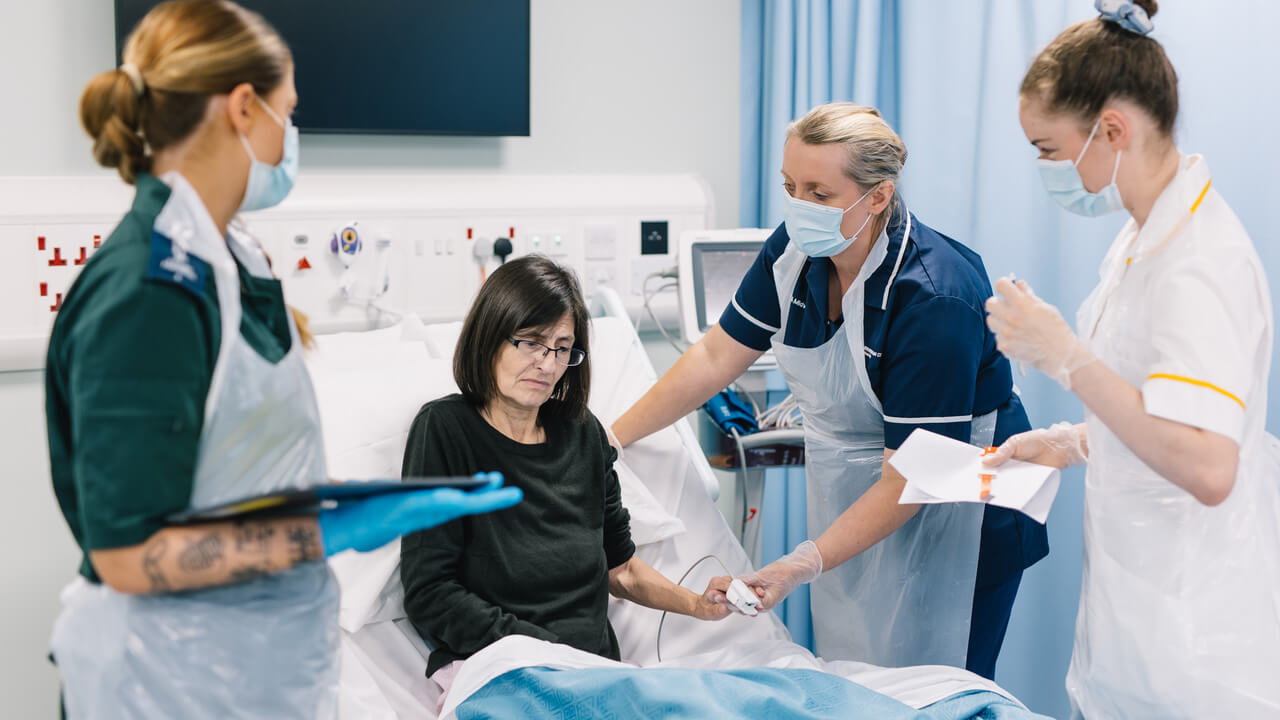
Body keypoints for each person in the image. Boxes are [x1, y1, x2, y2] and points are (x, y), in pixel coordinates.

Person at [46, 2, 519, 717]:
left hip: (254, 667)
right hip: (169, 681)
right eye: (287, 111)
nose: (290, 134)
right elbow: (126, 554)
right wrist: (318, 533)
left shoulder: (229, 259)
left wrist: (353, 498)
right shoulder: (150, 291)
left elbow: (237, 458)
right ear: (243, 107)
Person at [611, 103, 1047, 678]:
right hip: (864, 491)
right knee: (859, 679)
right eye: (790, 187)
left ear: (878, 197)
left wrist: (800, 563)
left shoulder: (933, 296)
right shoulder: (796, 252)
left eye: (819, 192)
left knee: (941, 689)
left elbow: (912, 475)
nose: (799, 208)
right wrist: (607, 438)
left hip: (961, 510)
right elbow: (719, 354)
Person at [984, 1, 1280, 716]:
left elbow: (1210, 465)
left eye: (1048, 148)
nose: (1043, 167)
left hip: (1197, 645)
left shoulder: (1198, 262)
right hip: (1138, 627)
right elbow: (1164, 409)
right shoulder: (1145, 236)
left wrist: (1064, 357)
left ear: (1112, 130)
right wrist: (1071, 441)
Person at [400, 255, 732, 698]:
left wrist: (695, 605)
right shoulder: (444, 430)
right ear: (490, 336)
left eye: (561, 348)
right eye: (532, 342)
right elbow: (430, 592)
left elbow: (623, 569)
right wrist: (542, 651)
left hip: (594, 673)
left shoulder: (583, 433)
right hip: (502, 672)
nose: (548, 363)